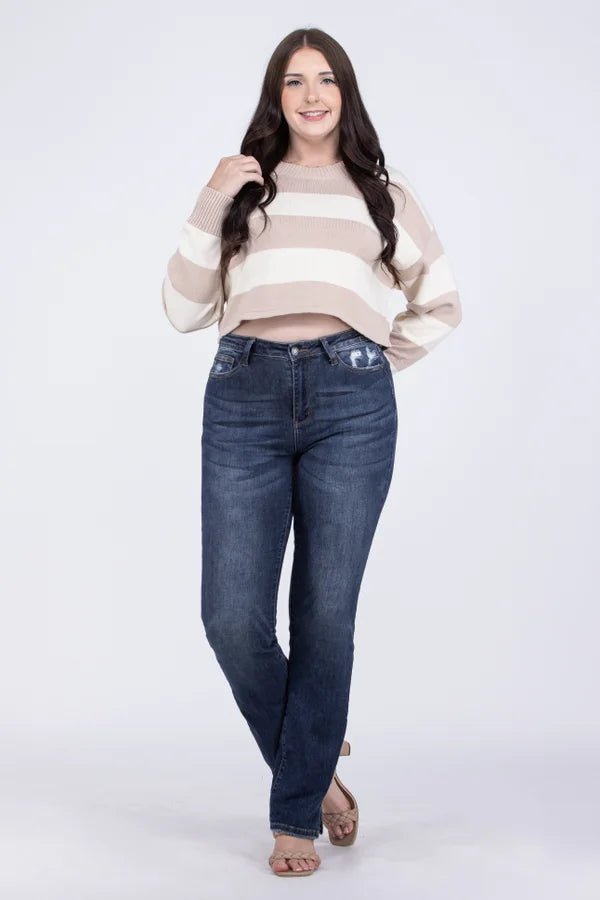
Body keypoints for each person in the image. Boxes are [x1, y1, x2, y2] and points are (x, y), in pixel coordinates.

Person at [162, 27, 462, 877]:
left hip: (350, 406)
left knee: (326, 616)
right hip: (243, 397)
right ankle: (318, 762)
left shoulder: (381, 193)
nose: (312, 95)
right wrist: (210, 197)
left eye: (326, 79)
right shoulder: (243, 189)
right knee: (230, 618)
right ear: (276, 96)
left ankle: (295, 815)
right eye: (294, 81)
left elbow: (440, 301)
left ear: (345, 92)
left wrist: (368, 359)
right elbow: (182, 310)